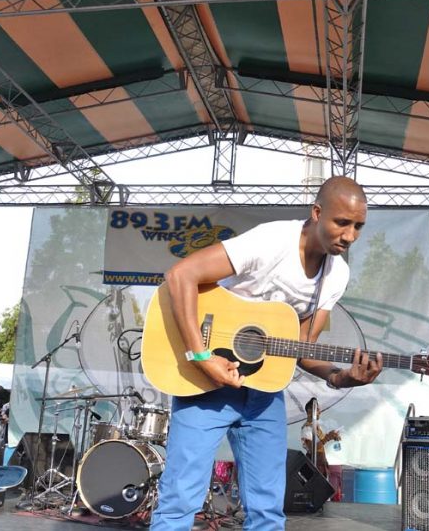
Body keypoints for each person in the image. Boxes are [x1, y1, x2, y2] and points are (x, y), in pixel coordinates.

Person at [150, 176, 383, 530]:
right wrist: (202, 357)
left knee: (268, 511)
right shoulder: (272, 240)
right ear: (317, 212)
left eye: (358, 226)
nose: (350, 235)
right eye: (342, 223)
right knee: (179, 501)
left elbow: (301, 349)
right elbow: (181, 274)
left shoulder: (337, 274)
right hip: (207, 384)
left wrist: (341, 377)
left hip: (263, 394)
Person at [300, 397, 341, 479]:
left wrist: (332, 436)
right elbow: (312, 448)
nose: (319, 412)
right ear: (309, 411)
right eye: (317, 409)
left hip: (320, 463)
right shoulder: (307, 428)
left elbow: (321, 442)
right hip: (314, 464)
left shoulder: (316, 427)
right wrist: (328, 437)